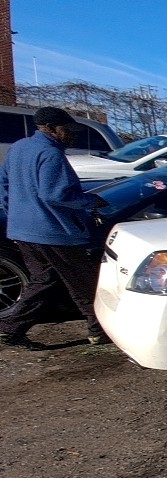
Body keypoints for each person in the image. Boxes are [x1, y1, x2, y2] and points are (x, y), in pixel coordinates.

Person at [0, 106, 110, 349]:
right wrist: (90, 201)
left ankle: (11, 328)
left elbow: (4, 184)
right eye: (67, 129)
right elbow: (55, 194)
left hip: (23, 229)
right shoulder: (51, 154)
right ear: (49, 128)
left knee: (45, 280)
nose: (72, 134)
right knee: (83, 282)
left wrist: (15, 213)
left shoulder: (19, 148)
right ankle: (98, 330)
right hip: (54, 231)